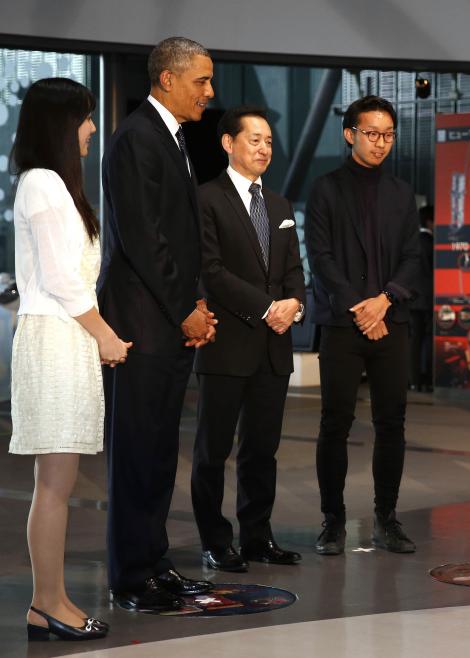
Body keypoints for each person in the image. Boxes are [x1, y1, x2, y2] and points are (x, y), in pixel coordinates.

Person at [98, 37, 217, 612]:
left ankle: (154, 561)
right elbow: (145, 239)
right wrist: (184, 308)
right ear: (167, 79)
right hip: (141, 324)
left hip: (165, 321)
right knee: (137, 451)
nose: (210, 92)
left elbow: (180, 236)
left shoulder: (169, 138)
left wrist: (193, 307)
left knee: (161, 451)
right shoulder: (135, 139)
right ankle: (129, 578)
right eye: (201, 80)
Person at [10, 77, 127, 641]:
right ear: (60, 123)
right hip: (59, 338)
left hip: (64, 337)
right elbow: (59, 277)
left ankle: (46, 602)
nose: (90, 128)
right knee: (55, 482)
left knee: (57, 479)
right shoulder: (44, 184)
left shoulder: (51, 184)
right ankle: (48, 602)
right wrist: (104, 334)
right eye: (84, 118)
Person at [191, 106, 306, 572]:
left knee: (262, 450)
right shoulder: (205, 199)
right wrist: (266, 307)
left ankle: (257, 536)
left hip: (274, 346)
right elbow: (211, 272)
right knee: (213, 451)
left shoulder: (279, 205)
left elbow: (294, 271)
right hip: (227, 343)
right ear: (228, 144)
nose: (264, 148)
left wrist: (295, 304)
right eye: (254, 140)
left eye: (269, 142)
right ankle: (215, 541)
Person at [305, 95, 420, 556]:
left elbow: (414, 257)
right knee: (335, 422)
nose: (381, 143)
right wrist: (360, 309)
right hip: (342, 325)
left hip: (391, 320)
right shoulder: (325, 189)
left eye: (388, 135)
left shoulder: (400, 193)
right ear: (350, 133)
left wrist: (385, 300)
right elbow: (322, 259)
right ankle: (333, 520)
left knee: (392, 423)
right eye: (372, 134)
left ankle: (386, 517)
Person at [409, 204, 434, 392]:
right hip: (428, 299)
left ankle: (413, 379)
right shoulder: (431, 243)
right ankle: (427, 379)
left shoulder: (410, 241)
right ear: (430, 221)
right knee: (428, 340)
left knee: (413, 342)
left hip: (411, 299)